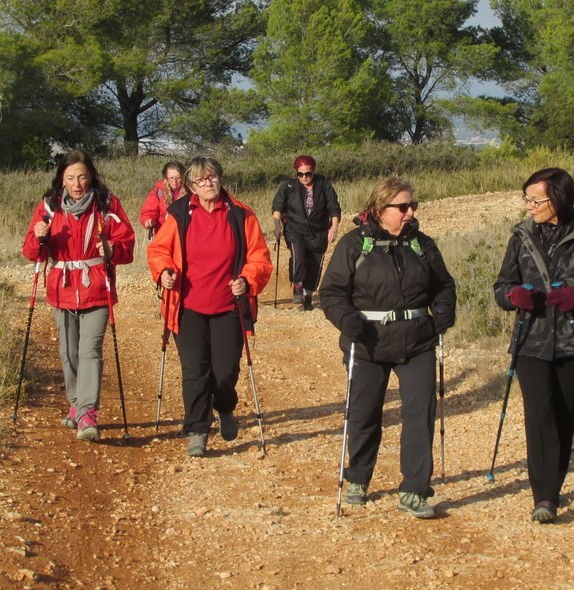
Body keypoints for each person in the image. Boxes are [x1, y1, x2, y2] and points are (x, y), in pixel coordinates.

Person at [319, 176, 456, 519]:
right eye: (403, 207)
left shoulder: (423, 245)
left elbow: (443, 285)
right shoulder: (354, 245)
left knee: (419, 414)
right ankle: (358, 478)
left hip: (417, 340)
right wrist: (345, 319)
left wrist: (443, 310)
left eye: (413, 206)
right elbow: (332, 292)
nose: (410, 212)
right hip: (367, 341)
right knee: (364, 413)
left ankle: (414, 489)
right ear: (380, 210)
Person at [492, 167, 574, 523]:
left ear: (558, 199)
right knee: (539, 416)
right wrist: (513, 296)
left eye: (536, 200)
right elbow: (501, 287)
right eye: (527, 199)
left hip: (573, 344)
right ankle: (545, 497)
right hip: (530, 343)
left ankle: (554, 485)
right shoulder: (520, 237)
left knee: (565, 416)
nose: (529, 206)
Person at [147, 156, 273, 458]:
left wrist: (246, 279)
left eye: (213, 176)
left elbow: (260, 258)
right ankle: (198, 430)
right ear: (190, 185)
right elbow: (158, 250)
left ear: (220, 178)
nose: (208, 183)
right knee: (195, 370)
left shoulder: (241, 214)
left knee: (225, 372)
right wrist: (164, 271)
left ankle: (225, 408)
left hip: (228, 305)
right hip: (187, 305)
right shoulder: (178, 213)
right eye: (201, 179)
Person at [22, 150, 136, 442]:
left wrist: (112, 249)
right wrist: (39, 236)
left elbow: (127, 244)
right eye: (71, 177)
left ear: (91, 177)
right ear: (62, 178)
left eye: (82, 176)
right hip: (61, 288)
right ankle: (75, 404)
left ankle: (87, 412)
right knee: (68, 353)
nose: (77, 183)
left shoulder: (106, 205)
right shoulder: (49, 207)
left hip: (96, 287)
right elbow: (32, 253)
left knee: (90, 351)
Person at [271, 155, 341, 310]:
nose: (304, 177)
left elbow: (333, 207)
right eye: (300, 174)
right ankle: (297, 286)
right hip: (295, 230)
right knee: (299, 257)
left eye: (308, 174)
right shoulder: (288, 186)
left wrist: (334, 228)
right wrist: (277, 226)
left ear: (314, 171)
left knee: (315, 265)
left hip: (318, 232)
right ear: (296, 173)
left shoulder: (324, 185)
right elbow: (277, 208)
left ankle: (308, 296)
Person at [139, 161, 186, 238]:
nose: (175, 181)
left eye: (178, 178)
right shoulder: (160, 190)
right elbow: (149, 210)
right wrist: (148, 220)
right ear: (166, 177)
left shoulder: (190, 191)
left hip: (183, 235)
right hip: (163, 234)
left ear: (183, 176)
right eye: (171, 178)